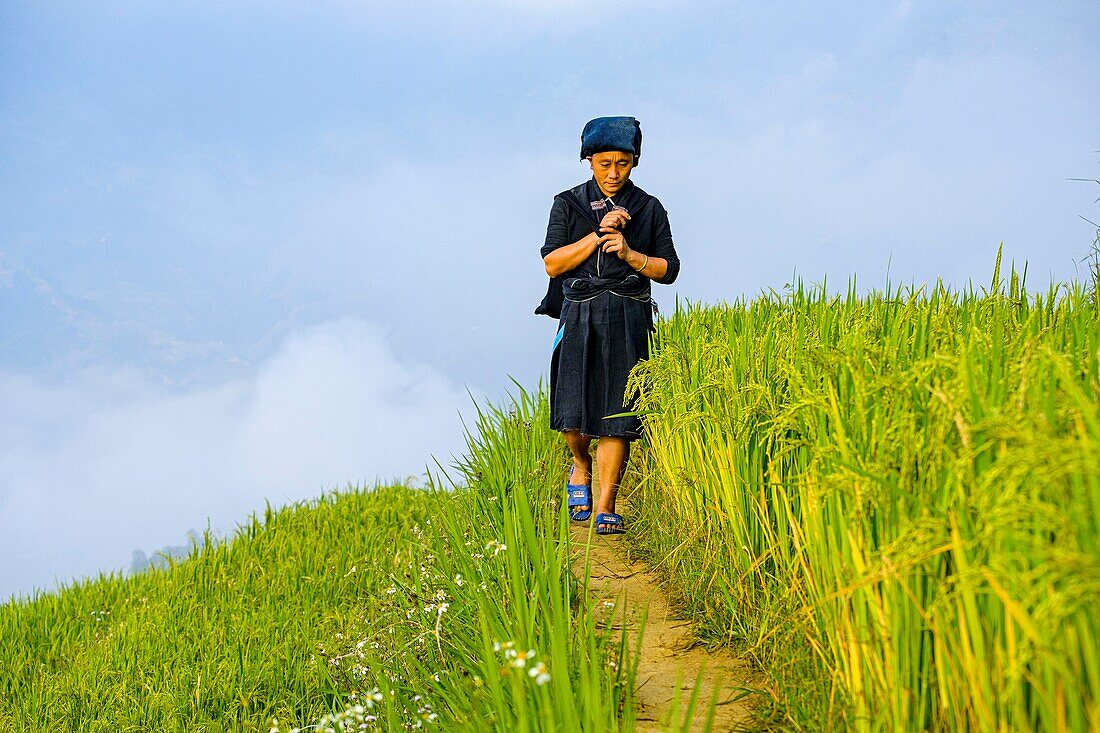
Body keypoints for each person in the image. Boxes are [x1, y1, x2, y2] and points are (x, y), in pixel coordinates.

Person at [535, 116, 681, 535]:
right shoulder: (567, 204)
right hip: (578, 311)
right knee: (572, 414)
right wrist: (598, 237)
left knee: (618, 413)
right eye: (604, 164)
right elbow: (552, 262)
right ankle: (580, 464)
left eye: (623, 163)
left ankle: (606, 504)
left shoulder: (649, 208)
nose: (614, 173)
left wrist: (632, 255)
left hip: (628, 316)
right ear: (589, 162)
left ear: (634, 162)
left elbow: (670, 269)